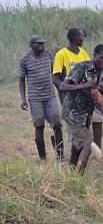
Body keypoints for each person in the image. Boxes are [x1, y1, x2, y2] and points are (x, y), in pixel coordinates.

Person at [59, 44, 103, 174]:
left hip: (87, 113)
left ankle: (71, 174)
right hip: (72, 112)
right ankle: (79, 177)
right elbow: (63, 87)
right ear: (94, 55)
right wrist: (84, 86)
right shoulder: (82, 67)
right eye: (101, 58)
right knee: (87, 144)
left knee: (77, 147)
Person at [19, 35, 64, 163]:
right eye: (38, 44)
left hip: (50, 96)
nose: (42, 46)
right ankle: (43, 158)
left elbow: (53, 74)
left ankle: (60, 156)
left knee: (57, 125)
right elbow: (21, 80)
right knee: (39, 126)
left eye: (43, 43)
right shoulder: (25, 60)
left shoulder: (48, 55)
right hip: (35, 98)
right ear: (31, 45)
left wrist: (60, 89)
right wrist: (23, 99)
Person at [53, 27, 90, 105]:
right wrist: (65, 90)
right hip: (68, 95)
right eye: (82, 36)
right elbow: (56, 79)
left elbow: (89, 71)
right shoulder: (61, 54)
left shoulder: (83, 52)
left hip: (82, 94)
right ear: (75, 38)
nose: (83, 39)